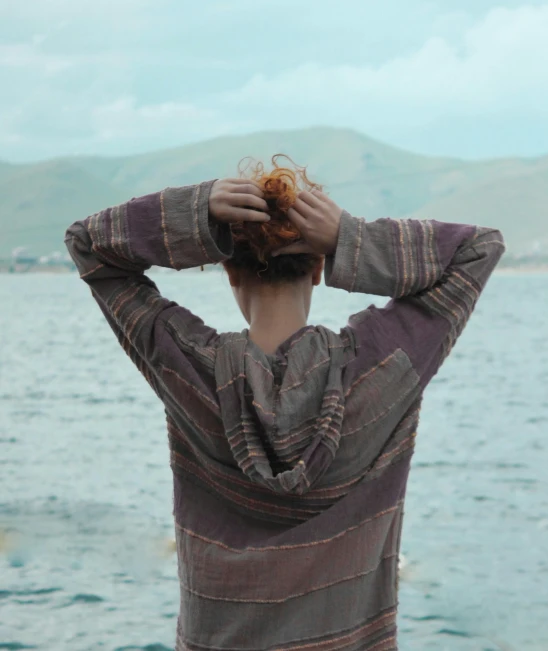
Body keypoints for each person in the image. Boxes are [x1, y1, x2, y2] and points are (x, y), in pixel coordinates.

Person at [65, 155, 505, 651]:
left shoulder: (187, 367)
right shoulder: (386, 367)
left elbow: (88, 243)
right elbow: (478, 248)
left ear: (230, 273)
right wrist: (348, 237)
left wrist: (197, 214)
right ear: (318, 268)